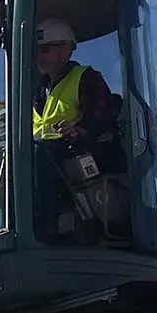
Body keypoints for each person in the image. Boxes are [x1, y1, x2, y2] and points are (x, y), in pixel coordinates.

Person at [30, 18, 115, 240]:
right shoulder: (39, 89)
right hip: (42, 150)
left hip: (79, 151)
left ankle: (44, 227)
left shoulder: (86, 78)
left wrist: (79, 130)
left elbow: (100, 114)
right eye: (37, 50)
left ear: (65, 49)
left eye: (45, 49)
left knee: (39, 154)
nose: (39, 55)